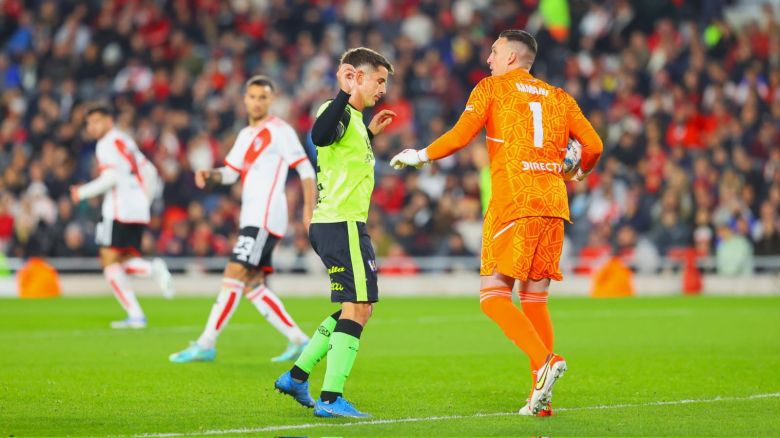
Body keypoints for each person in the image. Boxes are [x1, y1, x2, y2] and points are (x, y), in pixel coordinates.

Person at [390, 30, 603, 416]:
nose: (488, 59)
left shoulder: (492, 88)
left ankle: (545, 362)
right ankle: (542, 400)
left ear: (510, 58)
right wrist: (579, 173)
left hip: (514, 201)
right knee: (535, 299)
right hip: (554, 203)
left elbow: (459, 136)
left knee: (493, 298)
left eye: (494, 52)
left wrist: (419, 155)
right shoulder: (560, 97)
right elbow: (595, 147)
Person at [274, 47, 396, 418]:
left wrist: (370, 136)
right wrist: (342, 94)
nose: (382, 90)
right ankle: (330, 398)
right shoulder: (336, 109)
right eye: (378, 80)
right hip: (341, 223)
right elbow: (320, 136)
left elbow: (339, 160)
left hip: (338, 223)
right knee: (358, 307)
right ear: (355, 76)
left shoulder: (356, 120)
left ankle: (297, 376)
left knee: (357, 307)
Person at [169, 76, 315, 363]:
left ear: (271, 100)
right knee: (252, 283)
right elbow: (231, 173)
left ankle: (206, 342)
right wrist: (210, 175)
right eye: (253, 96)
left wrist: (309, 210)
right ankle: (300, 340)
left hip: (266, 214)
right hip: (252, 216)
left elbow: (306, 170)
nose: (257, 101)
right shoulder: (245, 135)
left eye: (263, 97)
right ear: (245, 99)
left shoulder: (280, 130)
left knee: (234, 274)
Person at [71, 104, 175, 329]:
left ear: (109, 121)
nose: (92, 127)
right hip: (137, 207)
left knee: (109, 263)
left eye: (96, 121)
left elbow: (111, 178)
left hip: (118, 209)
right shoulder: (126, 141)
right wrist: (144, 201)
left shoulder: (105, 144)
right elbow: (151, 172)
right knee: (123, 260)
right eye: (89, 123)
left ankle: (137, 309)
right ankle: (149, 278)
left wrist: (81, 192)